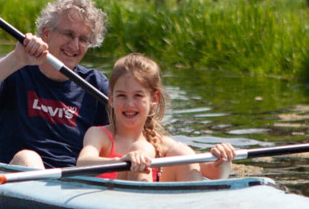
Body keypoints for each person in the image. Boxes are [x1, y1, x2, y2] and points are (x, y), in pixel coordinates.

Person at [0, 0, 109, 168]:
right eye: (68, 34)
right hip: (21, 171)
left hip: (74, 179)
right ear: (46, 34)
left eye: (83, 39)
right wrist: (16, 59)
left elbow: (125, 132)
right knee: (28, 158)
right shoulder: (15, 70)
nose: (75, 45)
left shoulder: (95, 84)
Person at [77, 53, 236, 182]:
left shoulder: (161, 143)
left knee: (182, 152)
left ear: (154, 99)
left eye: (138, 95)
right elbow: (83, 162)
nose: (129, 104)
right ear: (111, 99)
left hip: (156, 205)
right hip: (116, 202)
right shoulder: (99, 135)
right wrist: (122, 161)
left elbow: (214, 174)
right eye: (121, 96)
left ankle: (193, 207)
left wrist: (222, 160)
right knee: (142, 149)